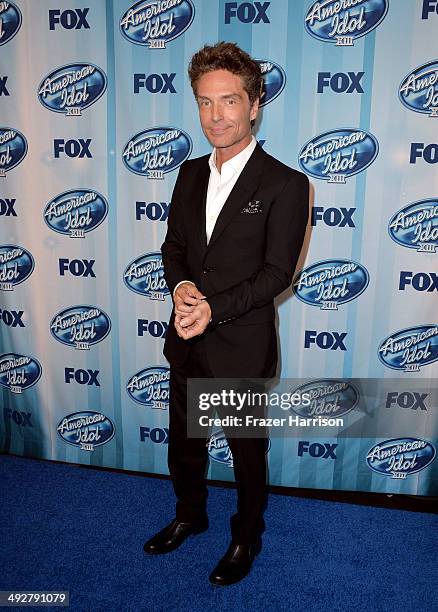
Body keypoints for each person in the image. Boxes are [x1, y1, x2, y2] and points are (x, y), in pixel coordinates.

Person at [143, 42, 309, 586]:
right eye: (205, 102)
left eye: (229, 101)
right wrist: (183, 286)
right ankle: (189, 515)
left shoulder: (286, 183)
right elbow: (174, 249)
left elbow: (276, 274)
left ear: (255, 102)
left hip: (240, 345)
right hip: (187, 337)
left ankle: (246, 535)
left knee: (245, 454)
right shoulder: (188, 174)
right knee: (184, 446)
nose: (216, 116)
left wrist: (212, 308)